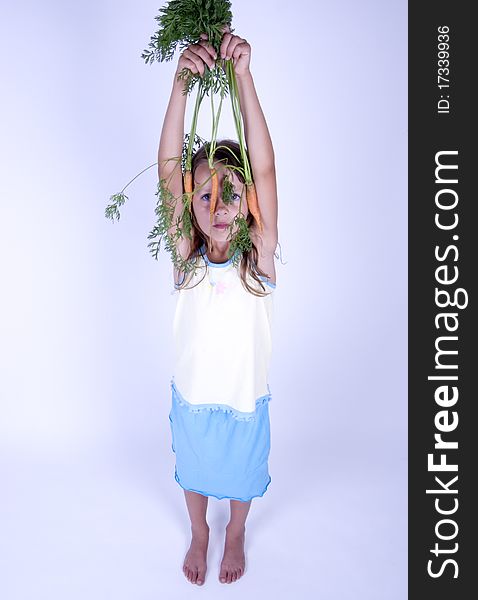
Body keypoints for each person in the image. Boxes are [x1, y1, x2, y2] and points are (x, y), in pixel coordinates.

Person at [158, 28, 278, 586]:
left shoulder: (259, 261)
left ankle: (234, 530)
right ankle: (201, 528)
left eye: (232, 191)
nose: (218, 203)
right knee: (195, 471)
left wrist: (242, 79)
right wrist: (182, 85)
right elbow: (167, 170)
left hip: (243, 402)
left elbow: (266, 167)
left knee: (242, 474)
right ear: (191, 206)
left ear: (249, 201)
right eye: (204, 194)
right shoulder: (187, 259)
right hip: (195, 399)